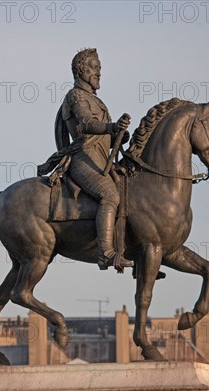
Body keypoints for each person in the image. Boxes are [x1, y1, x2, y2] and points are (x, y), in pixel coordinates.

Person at [38, 48, 132, 269]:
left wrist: (119, 134)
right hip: (83, 159)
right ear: (81, 70)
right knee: (110, 195)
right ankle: (106, 253)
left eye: (100, 68)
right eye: (94, 68)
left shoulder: (96, 100)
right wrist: (111, 127)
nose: (99, 72)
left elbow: (105, 134)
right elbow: (86, 124)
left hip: (101, 160)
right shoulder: (76, 96)